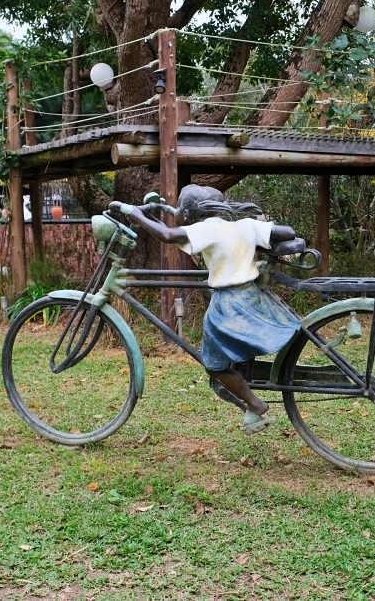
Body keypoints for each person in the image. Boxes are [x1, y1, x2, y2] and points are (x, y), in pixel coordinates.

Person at [111, 185, 300, 435]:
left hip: (230, 304)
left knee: (212, 363)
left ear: (190, 212)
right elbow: (287, 232)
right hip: (252, 296)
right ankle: (245, 387)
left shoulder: (208, 228)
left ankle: (255, 405)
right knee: (227, 351)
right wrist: (257, 243)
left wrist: (136, 215)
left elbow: (167, 235)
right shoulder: (243, 225)